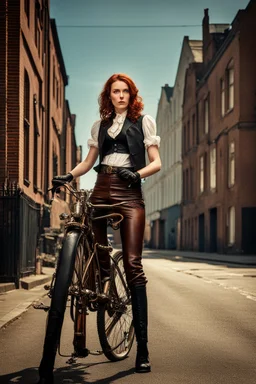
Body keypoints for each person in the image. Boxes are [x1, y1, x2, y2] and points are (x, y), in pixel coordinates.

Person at [38, 73, 161, 382]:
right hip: (102, 189)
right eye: (115, 91)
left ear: (132, 95)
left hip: (129, 193)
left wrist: (139, 174)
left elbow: (156, 161)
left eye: (125, 91)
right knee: (95, 249)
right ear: (109, 96)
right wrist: (67, 175)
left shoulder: (144, 121)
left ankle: (143, 349)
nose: (120, 96)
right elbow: (88, 161)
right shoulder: (100, 126)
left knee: (133, 264)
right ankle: (102, 281)